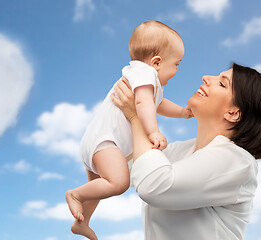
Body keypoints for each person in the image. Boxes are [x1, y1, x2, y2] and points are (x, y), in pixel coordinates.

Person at [110, 63, 261, 240]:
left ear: (233, 113)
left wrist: (137, 116)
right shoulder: (183, 150)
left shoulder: (238, 161)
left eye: (222, 84)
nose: (207, 78)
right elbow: (123, 167)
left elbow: (153, 185)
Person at [65, 20, 192, 240]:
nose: (178, 70)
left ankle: (81, 222)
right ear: (157, 62)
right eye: (177, 64)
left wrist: (181, 112)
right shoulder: (146, 74)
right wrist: (153, 132)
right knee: (119, 182)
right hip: (106, 143)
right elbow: (143, 105)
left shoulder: (142, 78)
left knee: (98, 188)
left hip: (96, 141)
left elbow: (157, 104)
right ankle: (74, 195)